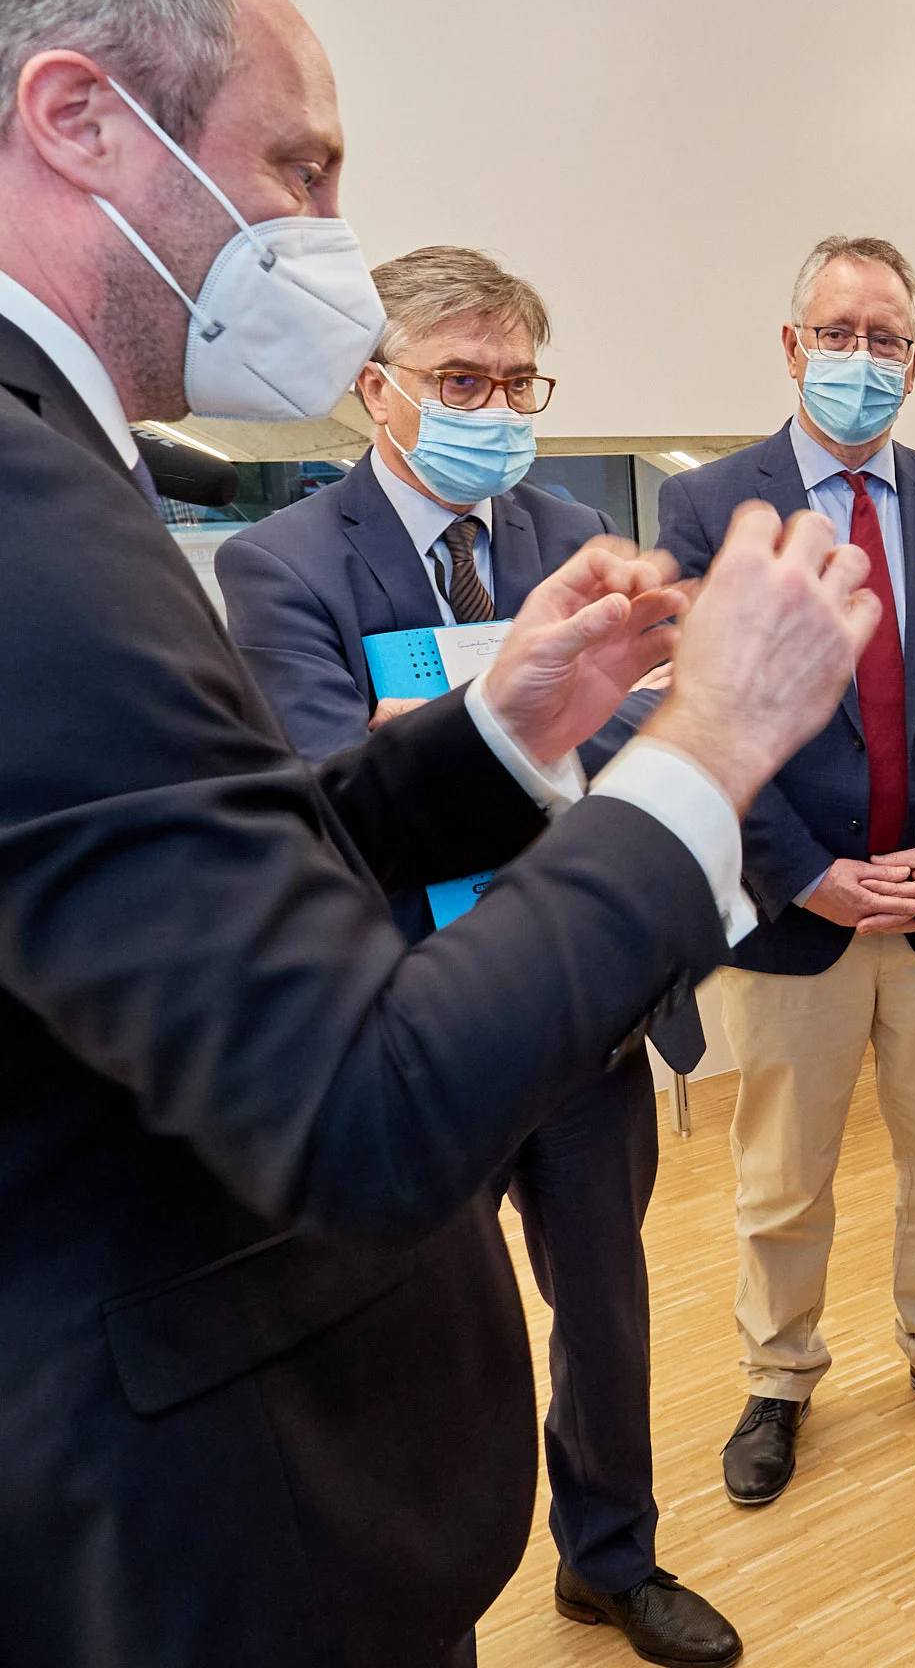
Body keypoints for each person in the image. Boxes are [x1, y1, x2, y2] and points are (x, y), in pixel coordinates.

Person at [0, 0, 882, 1664]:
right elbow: (361, 1108)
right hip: (218, 1542)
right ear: (79, 120)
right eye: (301, 169)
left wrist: (501, 735)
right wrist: (709, 749)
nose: (328, 229)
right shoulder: (32, 514)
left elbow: (199, 858)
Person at [217, 248, 741, 1665]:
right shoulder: (284, 562)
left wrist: (521, 725)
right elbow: (326, 773)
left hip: (572, 1003)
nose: (495, 407)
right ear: (376, 391)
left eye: (517, 382)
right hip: (396, 1016)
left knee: (607, 1306)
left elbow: (638, 722)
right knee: (417, 1325)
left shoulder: (571, 527)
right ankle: (414, 1583)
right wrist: (518, 716)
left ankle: (611, 1557)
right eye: (462, 380)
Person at [653, 236, 915, 1502]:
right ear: (791, 346)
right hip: (793, 911)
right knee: (783, 1169)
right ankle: (779, 1374)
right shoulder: (714, 507)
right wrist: (806, 869)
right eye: (838, 333)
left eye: (884, 340)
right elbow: (701, 712)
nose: (860, 360)